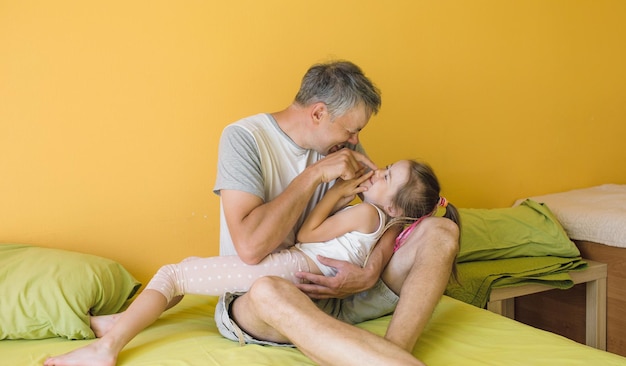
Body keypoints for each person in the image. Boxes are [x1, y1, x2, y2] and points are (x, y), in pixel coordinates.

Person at [45, 60, 459, 366]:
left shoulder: (344, 149)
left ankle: (392, 354)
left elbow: (390, 211)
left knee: (440, 231)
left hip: (338, 292)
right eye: (351, 130)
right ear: (318, 113)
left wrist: (371, 271)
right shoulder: (244, 140)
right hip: (265, 297)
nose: (355, 141)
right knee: (267, 288)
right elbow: (250, 248)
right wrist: (313, 175)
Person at [43, 159, 459, 366]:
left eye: (386, 176)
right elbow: (385, 240)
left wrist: (335, 193)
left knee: (173, 273)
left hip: (297, 266)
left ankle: (105, 348)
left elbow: (304, 236)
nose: (375, 169)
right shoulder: (388, 223)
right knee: (231, 286)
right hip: (299, 281)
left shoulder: (365, 212)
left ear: (391, 203)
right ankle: (120, 323)